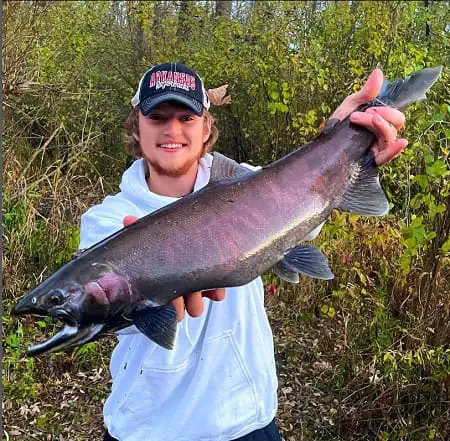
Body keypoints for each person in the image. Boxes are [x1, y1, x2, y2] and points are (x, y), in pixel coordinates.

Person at [78, 62, 407, 441]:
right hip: (145, 427)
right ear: (137, 128)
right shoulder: (108, 222)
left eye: (187, 117)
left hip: (245, 420)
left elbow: (305, 214)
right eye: (157, 117)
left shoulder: (246, 183)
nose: (172, 129)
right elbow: (105, 313)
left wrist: (339, 141)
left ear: (206, 129)